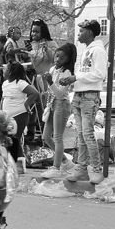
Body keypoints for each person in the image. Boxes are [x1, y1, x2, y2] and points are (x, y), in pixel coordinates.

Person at [61, 19, 108, 185]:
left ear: (89, 32)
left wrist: (76, 77)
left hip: (89, 97)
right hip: (80, 95)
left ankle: (96, 168)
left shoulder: (98, 51)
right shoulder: (87, 50)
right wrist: (72, 81)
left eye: (81, 31)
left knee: (87, 134)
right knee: (80, 134)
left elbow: (100, 74)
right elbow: (85, 75)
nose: (78, 34)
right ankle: (82, 168)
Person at [41, 43, 77, 178]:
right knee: (46, 137)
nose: (57, 60)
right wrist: (46, 90)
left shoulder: (67, 73)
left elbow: (61, 94)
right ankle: (65, 161)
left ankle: (55, 168)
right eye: (56, 56)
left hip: (62, 104)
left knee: (57, 137)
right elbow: (52, 91)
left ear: (67, 60)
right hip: (52, 104)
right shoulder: (52, 70)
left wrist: (50, 82)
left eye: (61, 58)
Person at [0, 58, 40, 173]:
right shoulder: (5, 84)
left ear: (11, 72)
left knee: (15, 139)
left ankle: (18, 165)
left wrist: (27, 104)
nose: (3, 72)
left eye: (5, 70)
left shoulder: (20, 83)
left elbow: (35, 93)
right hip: (7, 115)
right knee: (10, 139)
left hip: (19, 114)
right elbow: (4, 99)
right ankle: (16, 164)